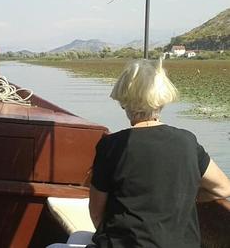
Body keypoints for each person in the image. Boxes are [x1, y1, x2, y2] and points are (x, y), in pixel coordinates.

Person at [88, 58, 230, 247]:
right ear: (161, 100)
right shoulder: (187, 141)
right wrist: (183, 196)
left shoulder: (111, 146)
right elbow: (223, 188)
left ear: (125, 102)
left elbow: (97, 214)